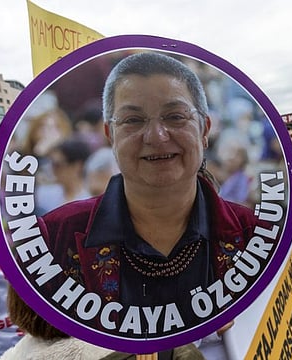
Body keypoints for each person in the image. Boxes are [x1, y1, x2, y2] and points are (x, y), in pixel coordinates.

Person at [34, 52, 272, 343]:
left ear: (204, 130)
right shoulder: (56, 236)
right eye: (133, 120)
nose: (156, 136)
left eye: (175, 116)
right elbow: (38, 338)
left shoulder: (257, 235)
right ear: (110, 135)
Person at [35, 138, 92, 215]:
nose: (53, 170)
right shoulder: (43, 194)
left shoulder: (90, 200)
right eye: (52, 164)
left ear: (77, 166)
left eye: (58, 165)